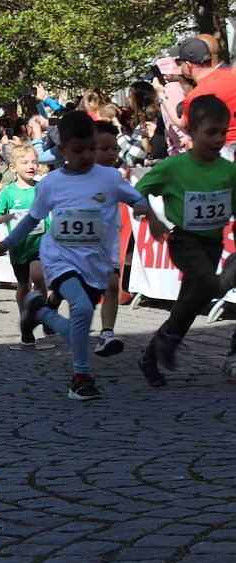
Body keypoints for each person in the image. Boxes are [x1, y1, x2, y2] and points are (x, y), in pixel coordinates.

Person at [0, 111, 167, 401]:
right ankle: (81, 378)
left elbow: (137, 197)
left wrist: (149, 215)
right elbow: (32, 219)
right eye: (78, 150)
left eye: (91, 148)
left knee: (82, 318)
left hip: (94, 263)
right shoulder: (51, 183)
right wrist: (7, 243)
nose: (86, 155)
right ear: (63, 151)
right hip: (60, 259)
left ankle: (39, 312)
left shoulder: (109, 177)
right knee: (83, 309)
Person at [135, 95, 236, 386]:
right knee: (209, 285)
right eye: (210, 132)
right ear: (191, 132)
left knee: (186, 309)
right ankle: (230, 271)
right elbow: (138, 192)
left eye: (222, 132)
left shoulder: (229, 171)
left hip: (212, 243)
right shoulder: (173, 167)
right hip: (184, 240)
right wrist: (152, 217)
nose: (218, 139)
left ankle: (150, 356)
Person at [0, 144, 50, 345]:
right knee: (23, 284)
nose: (31, 166)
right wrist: (6, 216)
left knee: (38, 275)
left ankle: (45, 313)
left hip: (40, 243)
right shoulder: (8, 193)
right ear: (13, 167)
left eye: (34, 162)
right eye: (25, 162)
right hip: (18, 247)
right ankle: (26, 321)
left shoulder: (42, 187)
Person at [157, 37, 236, 160]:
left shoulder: (197, 96)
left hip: (224, 151)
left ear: (188, 65)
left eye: (180, 63)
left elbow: (181, 124)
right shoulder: (232, 73)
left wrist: (161, 95)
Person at [92, 121, 127, 356]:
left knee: (112, 285)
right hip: (80, 246)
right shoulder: (72, 176)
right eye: (104, 148)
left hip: (108, 243)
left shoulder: (115, 175)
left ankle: (106, 333)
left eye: (114, 148)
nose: (111, 153)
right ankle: (53, 301)